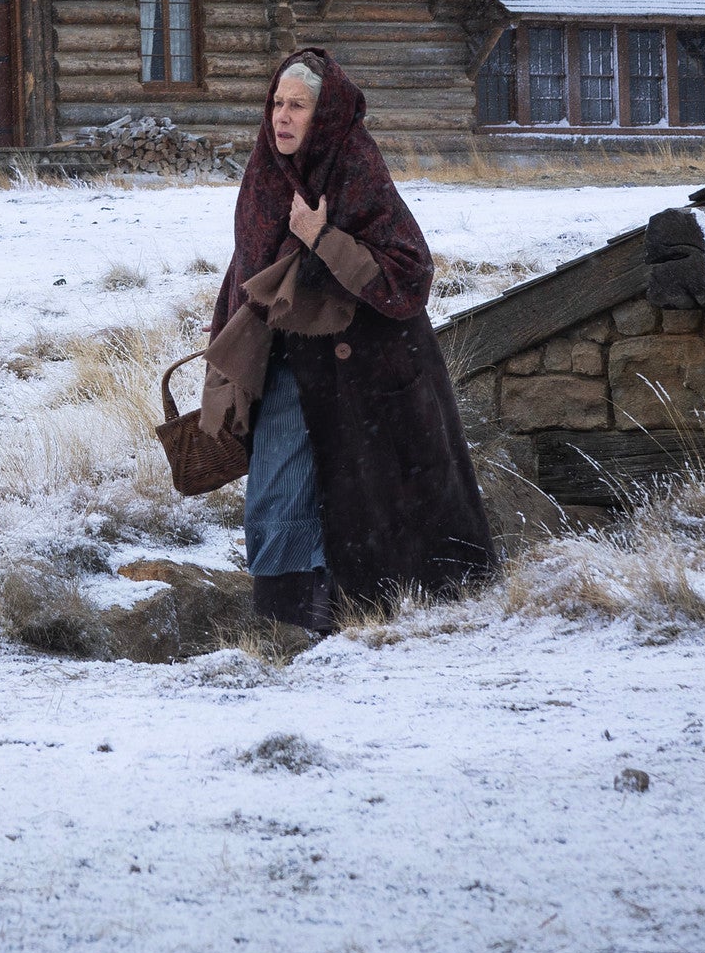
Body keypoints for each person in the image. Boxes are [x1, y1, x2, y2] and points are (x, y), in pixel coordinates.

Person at [202, 49, 494, 632]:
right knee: (278, 488)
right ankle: (289, 624)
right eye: (277, 103)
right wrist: (227, 363)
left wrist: (323, 238)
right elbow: (246, 270)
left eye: (298, 106)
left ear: (326, 114)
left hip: (367, 373)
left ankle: (376, 612)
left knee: (374, 497)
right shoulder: (265, 172)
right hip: (285, 363)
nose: (282, 117)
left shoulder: (356, 167)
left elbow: (409, 275)